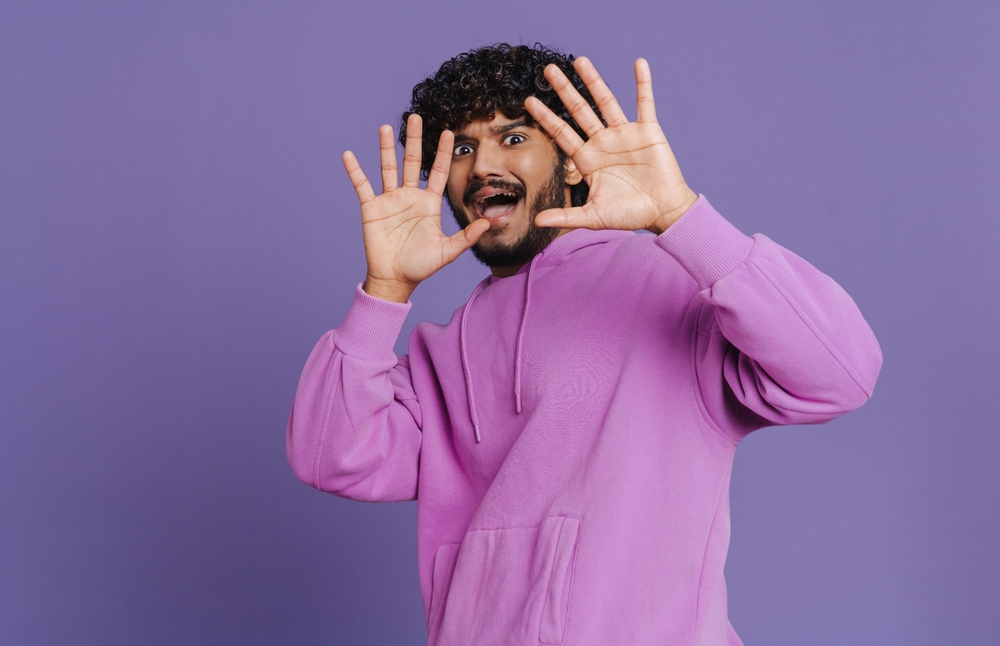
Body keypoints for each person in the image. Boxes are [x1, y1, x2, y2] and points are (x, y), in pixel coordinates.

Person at [286, 43, 882, 646]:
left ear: (570, 161)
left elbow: (840, 373)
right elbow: (328, 457)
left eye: (513, 138)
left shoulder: (671, 285)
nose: (482, 166)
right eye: (463, 148)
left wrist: (680, 216)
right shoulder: (442, 353)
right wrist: (384, 291)